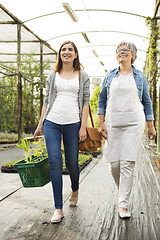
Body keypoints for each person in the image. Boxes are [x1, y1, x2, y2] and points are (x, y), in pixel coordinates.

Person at [98, 41, 156, 219]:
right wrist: (101, 124)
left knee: (127, 163)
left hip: (133, 123)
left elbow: (146, 101)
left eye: (125, 50)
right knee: (114, 164)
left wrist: (151, 125)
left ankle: (123, 204)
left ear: (133, 54)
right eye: (119, 50)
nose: (121, 52)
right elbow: (102, 101)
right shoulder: (109, 76)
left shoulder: (140, 76)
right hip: (113, 123)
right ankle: (122, 189)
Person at [34, 40, 90, 223]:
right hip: (52, 122)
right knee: (55, 162)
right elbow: (46, 102)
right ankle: (58, 208)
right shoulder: (53, 75)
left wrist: (83, 126)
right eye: (63, 50)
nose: (66, 52)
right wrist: (40, 124)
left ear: (75, 54)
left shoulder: (82, 75)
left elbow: (85, 102)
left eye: (70, 50)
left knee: (72, 163)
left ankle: (75, 188)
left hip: (73, 124)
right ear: (60, 54)